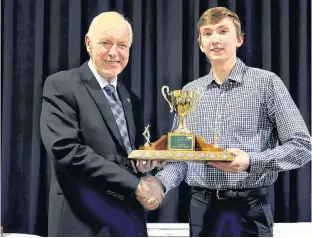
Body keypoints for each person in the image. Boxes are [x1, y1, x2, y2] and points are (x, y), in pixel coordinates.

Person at [154, 7, 311, 237]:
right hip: (201, 210)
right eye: (207, 33)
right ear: (200, 44)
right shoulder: (189, 92)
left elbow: (302, 146)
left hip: (250, 210)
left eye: (223, 31)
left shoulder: (266, 84)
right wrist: (159, 185)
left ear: (239, 39)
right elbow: (181, 158)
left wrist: (250, 160)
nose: (215, 39)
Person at [40, 11, 165, 237]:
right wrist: (134, 184)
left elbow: (125, 156)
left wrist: (143, 165)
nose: (114, 53)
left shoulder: (130, 98)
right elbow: (67, 151)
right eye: (106, 43)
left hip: (128, 222)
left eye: (122, 45)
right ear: (88, 43)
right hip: (81, 222)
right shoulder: (62, 85)